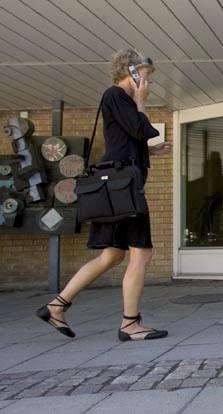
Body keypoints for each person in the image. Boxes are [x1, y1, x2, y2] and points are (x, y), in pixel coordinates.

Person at [36, 49, 172, 341]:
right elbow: (141, 128)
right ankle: (130, 324)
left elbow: (128, 139)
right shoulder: (117, 96)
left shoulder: (117, 99)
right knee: (142, 253)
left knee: (111, 256)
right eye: (146, 75)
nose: (149, 81)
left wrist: (150, 151)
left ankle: (56, 306)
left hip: (118, 187)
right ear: (133, 72)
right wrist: (141, 99)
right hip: (124, 191)